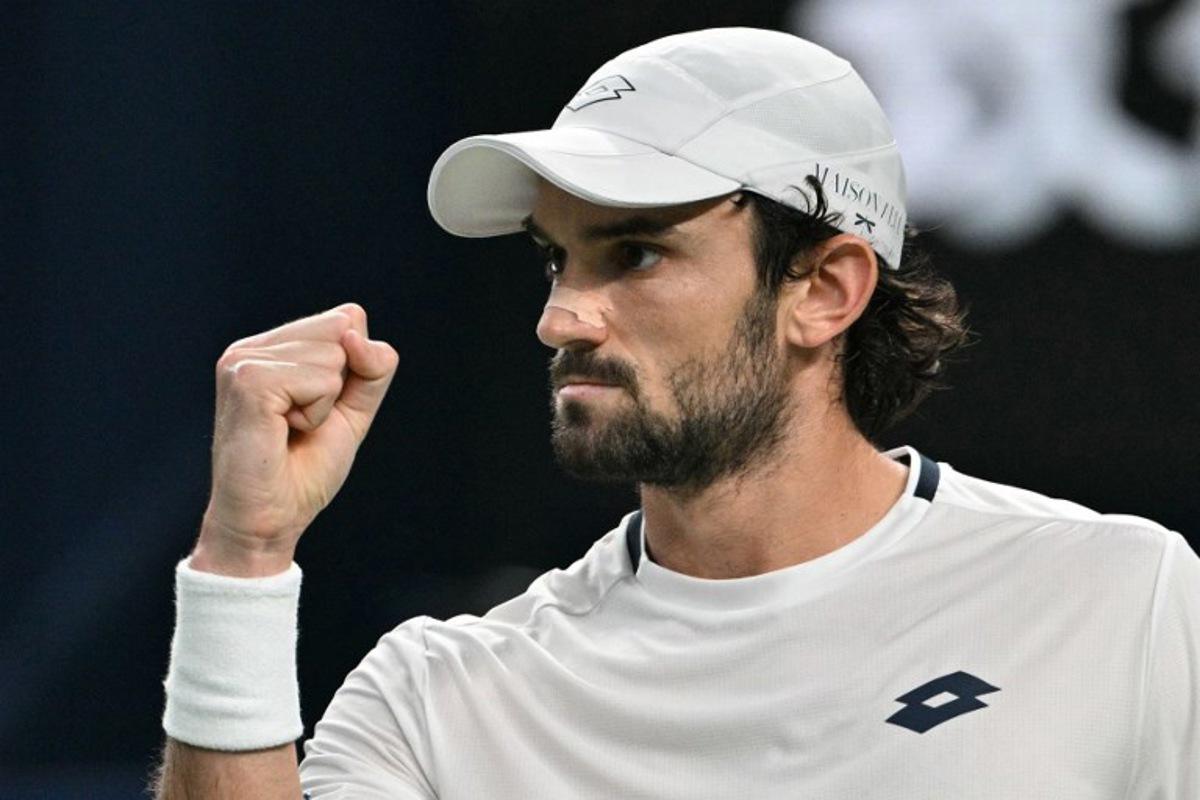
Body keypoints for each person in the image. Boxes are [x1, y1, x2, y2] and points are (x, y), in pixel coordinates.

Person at [153, 27, 1199, 799]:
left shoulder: (1127, 602)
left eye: (636, 252)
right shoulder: (443, 693)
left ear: (825, 289)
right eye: (557, 257)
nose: (560, 315)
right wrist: (242, 555)